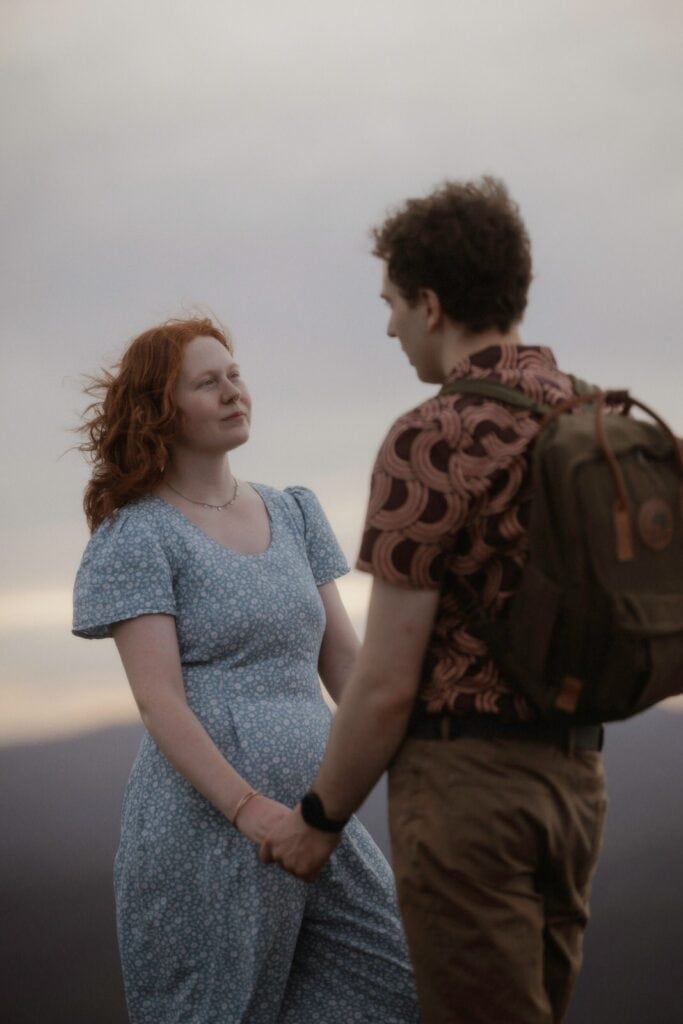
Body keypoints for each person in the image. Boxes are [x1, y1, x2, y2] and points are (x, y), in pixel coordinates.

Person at [262, 178, 608, 1024]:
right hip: (578, 782)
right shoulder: (593, 416)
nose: (387, 326)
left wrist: (319, 818)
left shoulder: (433, 435)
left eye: (391, 303)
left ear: (431, 302)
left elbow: (383, 683)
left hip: (466, 794)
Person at [72, 317, 419, 1024]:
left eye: (235, 375)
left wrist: (414, 766)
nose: (234, 392)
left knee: (394, 989)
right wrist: (246, 808)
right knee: (225, 1009)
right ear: (162, 410)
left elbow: (347, 664)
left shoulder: (292, 510)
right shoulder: (139, 531)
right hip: (210, 824)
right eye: (208, 382)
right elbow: (160, 700)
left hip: (322, 814)